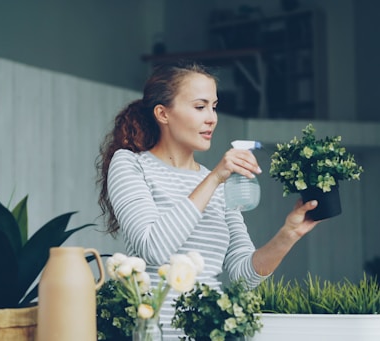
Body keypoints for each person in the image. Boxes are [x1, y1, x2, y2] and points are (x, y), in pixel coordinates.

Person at [96, 61, 321, 339]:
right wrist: (214, 179)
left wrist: (289, 234)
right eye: (200, 106)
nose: (212, 117)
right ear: (162, 114)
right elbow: (153, 248)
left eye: (214, 106)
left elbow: (243, 277)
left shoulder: (216, 182)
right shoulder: (131, 165)